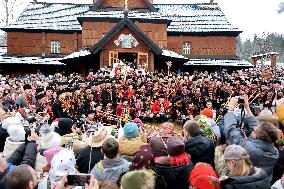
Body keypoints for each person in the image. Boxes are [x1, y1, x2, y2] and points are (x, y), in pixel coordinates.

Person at [224, 96, 279, 181]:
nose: (253, 130)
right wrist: (247, 107)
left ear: (256, 136)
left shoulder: (250, 150)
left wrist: (230, 109)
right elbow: (257, 126)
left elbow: (232, 132)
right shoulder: (274, 150)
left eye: (254, 131)